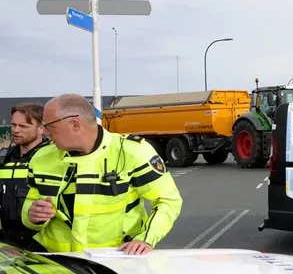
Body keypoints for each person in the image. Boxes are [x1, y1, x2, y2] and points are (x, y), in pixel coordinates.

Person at [22, 94, 183, 254]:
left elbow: (168, 200)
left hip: (116, 261)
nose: (44, 132)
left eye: (49, 126)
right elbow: (30, 204)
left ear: (75, 124)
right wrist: (32, 215)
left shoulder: (132, 152)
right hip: (60, 266)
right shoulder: (41, 157)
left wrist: (146, 238)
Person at [0, 104, 50, 249]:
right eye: (14, 125)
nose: (16, 130)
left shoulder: (53, 160)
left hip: (40, 245)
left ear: (41, 129)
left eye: (23, 126)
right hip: (6, 244)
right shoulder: (4, 158)